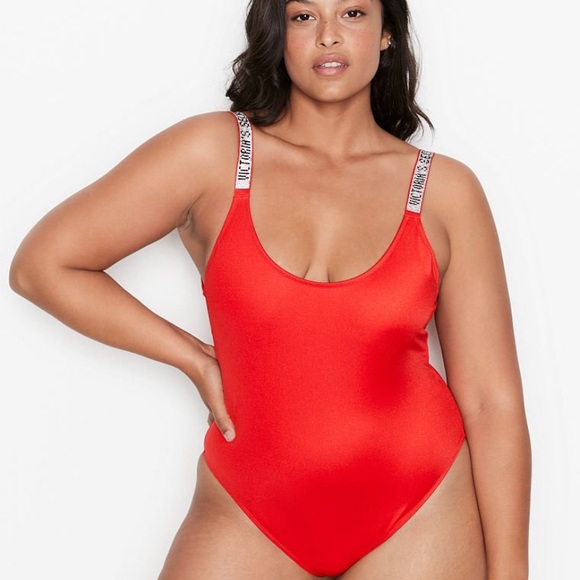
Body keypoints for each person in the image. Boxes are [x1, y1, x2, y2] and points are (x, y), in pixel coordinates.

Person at [9, 0, 531, 578]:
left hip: (419, 506)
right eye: (304, 16)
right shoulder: (213, 154)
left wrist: (512, 571)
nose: (328, 36)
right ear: (277, 32)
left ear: (387, 33)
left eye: (353, 13)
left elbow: (491, 401)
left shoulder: (444, 190)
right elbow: (43, 265)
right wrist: (193, 358)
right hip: (247, 508)